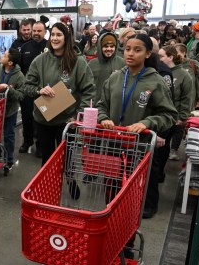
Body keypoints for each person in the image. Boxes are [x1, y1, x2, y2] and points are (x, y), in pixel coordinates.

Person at [97, 34, 177, 219]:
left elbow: (169, 115)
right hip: (113, 144)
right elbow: (102, 104)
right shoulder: (116, 78)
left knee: (134, 191)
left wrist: (146, 123)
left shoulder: (155, 81)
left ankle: (131, 219)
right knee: (111, 189)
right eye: (127, 49)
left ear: (148, 53)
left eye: (137, 50)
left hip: (139, 148)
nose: (130, 53)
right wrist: (103, 118)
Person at [24, 22, 96, 165]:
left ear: (66, 38)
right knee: (47, 162)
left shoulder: (78, 62)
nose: (55, 38)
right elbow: (27, 86)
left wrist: (78, 116)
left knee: (68, 163)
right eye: (53, 35)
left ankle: (70, 185)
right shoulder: (40, 60)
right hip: (44, 120)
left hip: (67, 122)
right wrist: (39, 90)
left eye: (59, 35)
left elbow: (89, 91)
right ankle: (49, 187)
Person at [158, 45, 195, 164]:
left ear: (170, 57)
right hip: (160, 116)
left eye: (161, 56)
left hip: (173, 116)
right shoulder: (159, 71)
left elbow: (187, 97)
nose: (159, 59)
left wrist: (182, 117)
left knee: (164, 145)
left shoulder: (184, 75)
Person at [17, 21, 48, 156]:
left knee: (42, 118)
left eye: (39, 31)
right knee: (27, 116)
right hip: (28, 89)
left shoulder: (49, 46)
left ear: (45, 32)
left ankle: (40, 145)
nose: (35, 33)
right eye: (34, 31)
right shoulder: (25, 47)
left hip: (44, 90)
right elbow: (20, 67)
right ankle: (27, 141)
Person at [88, 32, 125, 105]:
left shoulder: (122, 63)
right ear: (100, 47)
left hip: (115, 105)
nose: (109, 49)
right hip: (95, 105)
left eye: (112, 46)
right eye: (105, 46)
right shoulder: (92, 64)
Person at [174, 43, 199, 110]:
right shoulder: (171, 64)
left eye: (177, 52)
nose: (175, 55)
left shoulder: (193, 64)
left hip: (190, 100)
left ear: (184, 53)